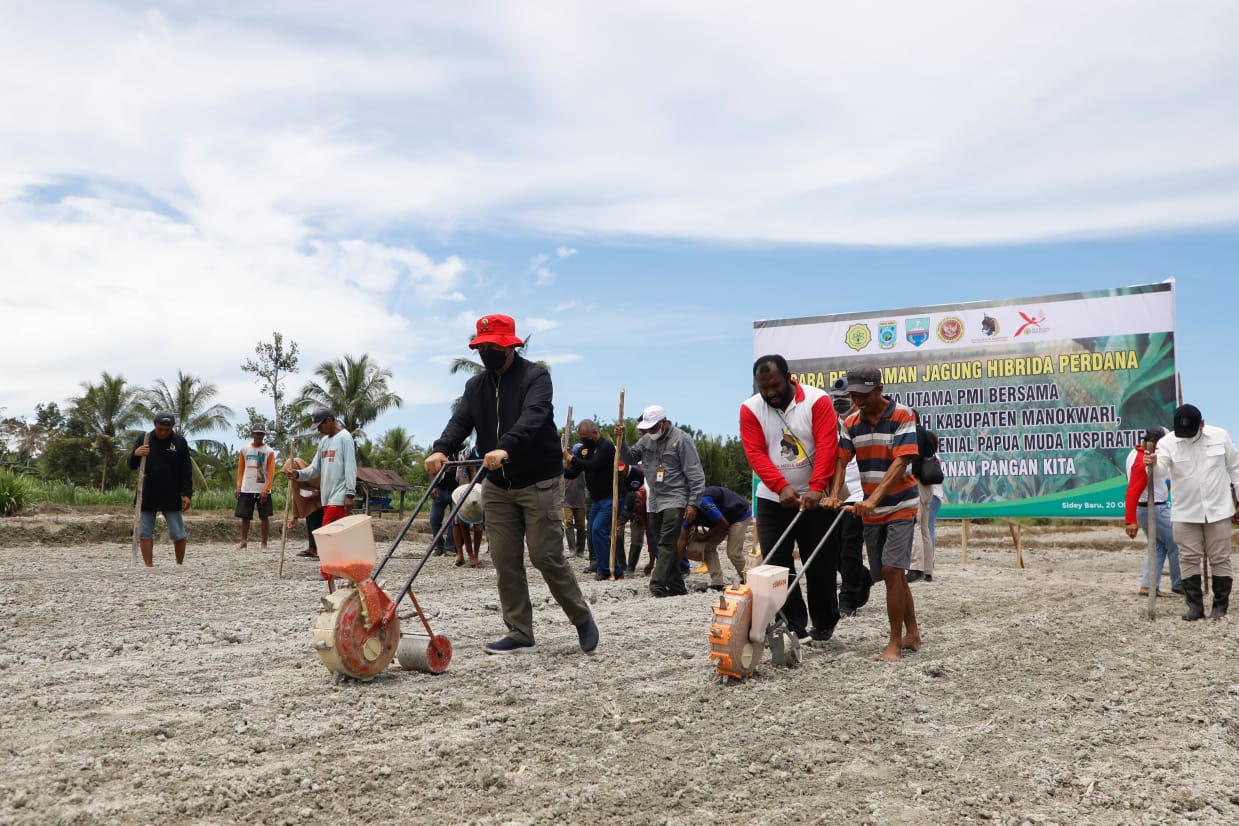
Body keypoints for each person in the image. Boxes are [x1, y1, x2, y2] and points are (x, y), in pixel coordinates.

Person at [424, 313, 597, 654]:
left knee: (545, 556)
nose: (486, 352)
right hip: (498, 486)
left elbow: (533, 418)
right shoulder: (476, 386)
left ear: (510, 347)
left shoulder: (536, 378)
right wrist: (441, 449)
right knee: (504, 559)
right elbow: (460, 421)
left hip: (540, 482)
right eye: (481, 347)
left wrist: (506, 446)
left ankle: (581, 618)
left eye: (492, 346)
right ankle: (520, 633)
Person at [740, 355, 842, 641]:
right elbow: (755, 453)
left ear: (789, 376)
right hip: (773, 499)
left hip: (815, 498)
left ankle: (823, 623)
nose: (770, 393)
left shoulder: (816, 400)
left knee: (820, 564)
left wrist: (817, 486)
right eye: (763, 388)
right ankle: (792, 624)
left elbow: (826, 446)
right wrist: (780, 486)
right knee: (776, 567)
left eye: (775, 385)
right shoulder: (750, 409)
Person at [826, 365, 922, 662]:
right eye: (854, 396)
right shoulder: (851, 422)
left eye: (864, 395)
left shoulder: (903, 415)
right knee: (891, 574)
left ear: (879, 389)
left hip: (901, 504)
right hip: (870, 508)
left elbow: (900, 463)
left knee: (893, 571)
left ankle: (894, 643)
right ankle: (913, 633)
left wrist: (875, 498)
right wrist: (833, 495)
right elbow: (841, 460)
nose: (859, 401)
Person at [1144, 404, 1239, 620]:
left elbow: (1235, 468)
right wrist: (1152, 463)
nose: (1186, 437)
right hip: (1185, 511)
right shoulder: (1168, 442)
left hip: (1218, 509)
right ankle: (1195, 608)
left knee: (1220, 558)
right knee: (1187, 558)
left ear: (1202, 425)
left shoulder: (1220, 436)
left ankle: (1220, 607)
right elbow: (1159, 472)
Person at [622, 405, 705, 597]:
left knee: (667, 543)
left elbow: (695, 474)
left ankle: (657, 585)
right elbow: (629, 457)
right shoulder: (646, 441)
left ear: (664, 423)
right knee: (661, 544)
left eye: (652, 428)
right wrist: (621, 440)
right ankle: (677, 587)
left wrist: (693, 503)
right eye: (647, 429)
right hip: (654, 500)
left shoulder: (682, 440)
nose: (649, 432)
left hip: (675, 498)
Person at [127, 411, 193, 566]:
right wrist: (136, 454)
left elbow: (187, 470)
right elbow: (131, 465)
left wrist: (187, 494)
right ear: (155, 425)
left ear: (172, 427)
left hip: (171, 493)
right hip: (147, 493)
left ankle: (179, 565)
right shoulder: (144, 439)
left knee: (178, 532)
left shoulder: (179, 442)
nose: (163, 432)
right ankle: (149, 567)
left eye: (167, 429)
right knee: (144, 532)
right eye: (160, 429)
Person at [1123, 426, 1181, 597]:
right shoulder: (1144, 460)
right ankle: (1180, 585)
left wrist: (1165, 487)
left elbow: (1141, 483)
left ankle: (1148, 585)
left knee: (1157, 547)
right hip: (1154, 508)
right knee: (1176, 543)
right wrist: (1130, 520)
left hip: (1147, 508)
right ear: (1156, 442)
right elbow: (1133, 490)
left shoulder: (1133, 454)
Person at [563, 419, 623, 581]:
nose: (584, 441)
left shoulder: (607, 447)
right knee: (592, 534)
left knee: (598, 530)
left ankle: (608, 569)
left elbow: (593, 466)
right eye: (581, 438)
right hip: (596, 499)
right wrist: (561, 464)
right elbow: (573, 473)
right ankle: (604, 565)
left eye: (586, 437)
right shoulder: (583, 450)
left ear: (595, 432)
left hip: (610, 498)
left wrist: (571, 458)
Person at [830, 390, 872, 617]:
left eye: (848, 398)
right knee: (832, 552)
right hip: (834, 496)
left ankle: (847, 602)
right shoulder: (831, 425)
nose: (844, 403)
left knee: (849, 549)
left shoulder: (868, 425)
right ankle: (862, 577)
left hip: (859, 497)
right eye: (838, 399)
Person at [283, 408, 357, 528]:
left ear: (329, 420)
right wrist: (298, 474)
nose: (318, 429)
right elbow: (314, 469)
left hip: (339, 498)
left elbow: (350, 467)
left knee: (326, 535)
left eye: (319, 426)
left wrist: (349, 495)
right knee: (333, 539)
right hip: (326, 500)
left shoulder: (345, 438)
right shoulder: (323, 442)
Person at [676, 485, 752, 590]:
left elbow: (723, 524)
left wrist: (704, 537)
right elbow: (682, 539)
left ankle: (750, 579)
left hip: (739, 515)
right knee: (707, 548)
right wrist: (675, 567)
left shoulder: (703, 502)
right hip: (720, 519)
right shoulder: (686, 513)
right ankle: (717, 583)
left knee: (733, 552)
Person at [907, 411, 942, 583]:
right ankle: (928, 569)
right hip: (927, 487)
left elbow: (914, 460)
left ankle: (915, 567)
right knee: (925, 528)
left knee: (915, 525)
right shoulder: (927, 435)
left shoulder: (915, 433)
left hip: (916, 484)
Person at [235, 422, 276, 551]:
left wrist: (266, 490)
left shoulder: (268, 451)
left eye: (261, 434)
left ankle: (264, 543)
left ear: (264, 435)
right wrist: (238, 486)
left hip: (262, 489)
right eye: (256, 433)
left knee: (264, 517)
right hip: (247, 488)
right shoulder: (244, 450)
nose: (258, 436)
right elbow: (241, 469)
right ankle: (243, 541)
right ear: (252, 434)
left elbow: (270, 472)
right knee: (245, 516)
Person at [283, 457, 323, 559]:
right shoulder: (294, 480)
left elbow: (323, 486)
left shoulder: (312, 476)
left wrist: (318, 493)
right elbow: (296, 497)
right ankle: (312, 548)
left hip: (318, 503)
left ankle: (321, 549)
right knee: (311, 525)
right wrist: (294, 517)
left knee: (317, 526)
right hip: (307, 504)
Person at [562, 447, 588, 559]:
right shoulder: (562, 463)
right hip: (566, 499)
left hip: (580, 499)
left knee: (581, 525)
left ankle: (580, 550)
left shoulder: (581, 464)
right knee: (568, 522)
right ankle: (572, 549)